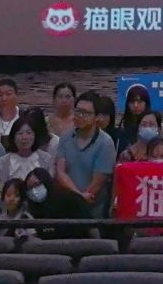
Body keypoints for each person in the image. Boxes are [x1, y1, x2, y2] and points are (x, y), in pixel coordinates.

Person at [53, 90, 116, 218]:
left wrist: (81, 198)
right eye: (77, 111)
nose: (80, 116)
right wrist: (78, 196)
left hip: (93, 207)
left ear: (97, 117)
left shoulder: (106, 142)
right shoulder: (66, 136)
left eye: (86, 113)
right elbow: (60, 172)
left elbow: (97, 182)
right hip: (67, 202)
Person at [115, 85, 154, 154]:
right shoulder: (122, 126)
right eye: (132, 102)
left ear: (146, 103)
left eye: (139, 101)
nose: (136, 105)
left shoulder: (154, 124)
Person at [0, 79, 25, 152]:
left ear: (16, 95)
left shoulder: (24, 116)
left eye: (8, 94)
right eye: (0, 95)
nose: (4, 98)